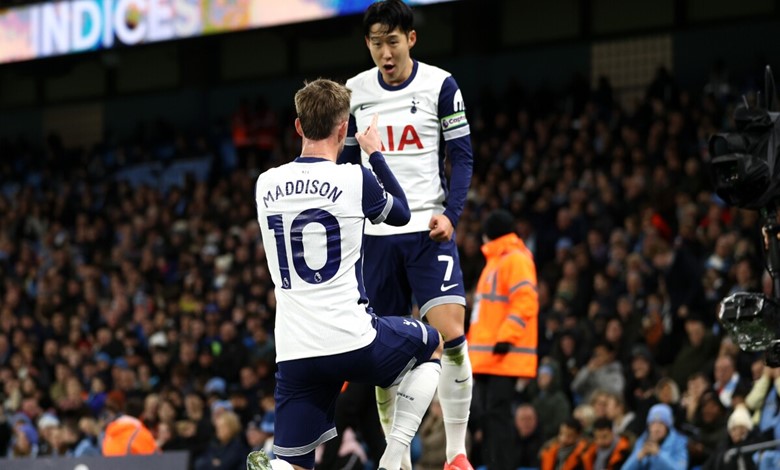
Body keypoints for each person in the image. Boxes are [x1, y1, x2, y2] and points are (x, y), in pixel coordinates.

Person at [251, 78, 443, 470]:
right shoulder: (355, 180)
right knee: (433, 343)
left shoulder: (265, 183)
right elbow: (403, 213)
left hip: (295, 350)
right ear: (343, 129)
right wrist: (372, 154)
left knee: (294, 462)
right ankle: (393, 458)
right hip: (352, 339)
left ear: (299, 127)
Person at [339, 1, 474, 468]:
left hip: (427, 231)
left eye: (392, 42)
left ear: (411, 39)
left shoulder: (441, 85)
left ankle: (457, 453)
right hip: (375, 237)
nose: (385, 52)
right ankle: (399, 461)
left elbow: (463, 155)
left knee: (452, 334)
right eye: (376, 43)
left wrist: (451, 214)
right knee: (385, 359)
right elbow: (342, 167)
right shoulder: (354, 92)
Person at [467, 208, 538, 470]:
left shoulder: (515, 259)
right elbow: (484, 315)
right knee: (488, 419)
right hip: (487, 357)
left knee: (498, 419)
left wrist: (507, 336)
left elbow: (526, 301)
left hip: (503, 355)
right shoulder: (497, 261)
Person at [622, 403, 688, 470]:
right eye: (653, 424)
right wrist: (638, 456)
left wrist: (658, 454)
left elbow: (680, 468)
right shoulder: (642, 441)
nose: (656, 429)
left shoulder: (679, 442)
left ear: (667, 427)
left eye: (661, 424)